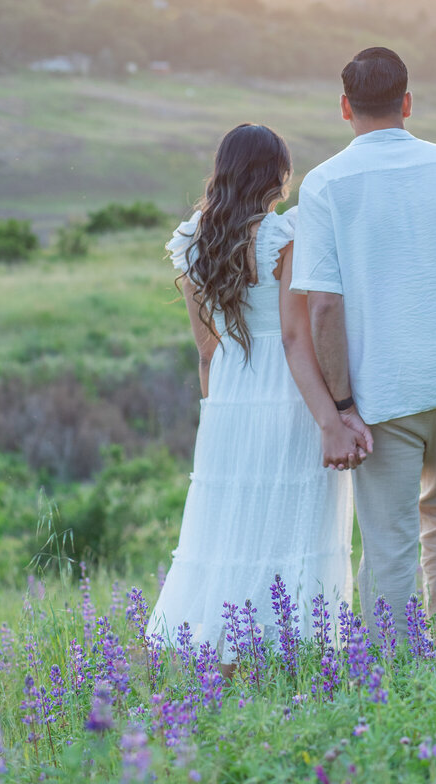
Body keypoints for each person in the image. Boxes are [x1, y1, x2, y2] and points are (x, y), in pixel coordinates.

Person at [291, 47, 436, 638]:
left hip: (384, 392)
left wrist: (341, 408)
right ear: (407, 103)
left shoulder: (325, 185)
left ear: (345, 107)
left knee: (389, 539)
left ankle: (391, 674)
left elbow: (323, 307)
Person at [147, 123, 372, 657]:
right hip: (289, 389)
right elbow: (295, 336)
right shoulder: (285, 235)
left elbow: (206, 349)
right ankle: (292, 645)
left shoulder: (196, 240)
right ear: (279, 176)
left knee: (231, 518)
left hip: (228, 393)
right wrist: (332, 416)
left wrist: (216, 412)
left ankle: (223, 646)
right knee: (294, 513)